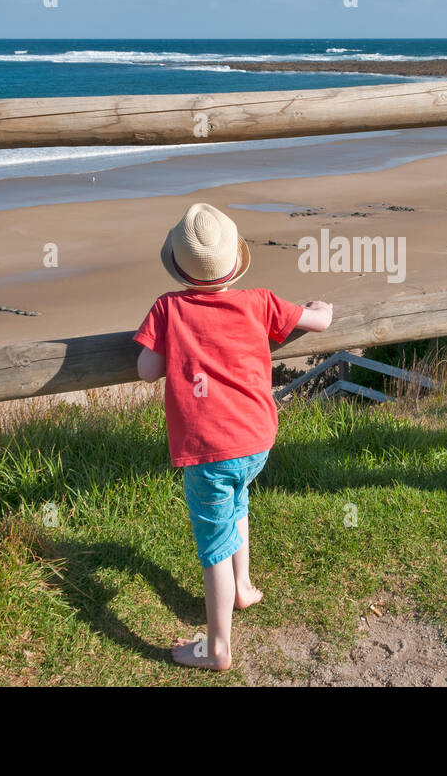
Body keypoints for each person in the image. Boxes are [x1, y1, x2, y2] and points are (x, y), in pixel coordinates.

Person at [134, 202, 333, 668]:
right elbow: (318, 320)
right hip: (256, 438)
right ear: (233, 262)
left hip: (207, 451)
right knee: (238, 501)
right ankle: (243, 588)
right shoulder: (258, 301)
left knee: (213, 545)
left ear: (180, 266)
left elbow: (146, 370)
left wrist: (172, 349)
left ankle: (218, 647)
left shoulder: (168, 308)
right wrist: (320, 308)